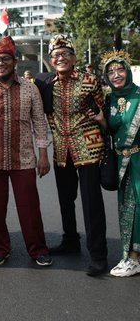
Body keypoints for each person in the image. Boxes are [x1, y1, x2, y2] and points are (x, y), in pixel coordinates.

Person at [0, 36, 52, 267]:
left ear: (14, 62)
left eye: (5, 59)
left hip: (24, 158)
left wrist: (43, 155)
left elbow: (40, 122)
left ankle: (38, 249)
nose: (0, 64)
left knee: (29, 208)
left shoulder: (30, 88)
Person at [40, 34, 108, 276]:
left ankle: (98, 255)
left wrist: (103, 124)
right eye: (55, 55)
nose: (60, 58)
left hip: (88, 148)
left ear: (73, 57)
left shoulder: (90, 81)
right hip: (62, 150)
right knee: (65, 199)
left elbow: (102, 111)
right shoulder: (49, 85)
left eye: (65, 54)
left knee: (92, 204)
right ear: (50, 60)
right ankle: (70, 240)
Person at [94, 52, 140, 277]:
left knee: (138, 207)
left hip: (139, 159)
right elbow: (111, 132)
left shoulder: (139, 96)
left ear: (128, 71)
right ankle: (131, 255)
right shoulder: (110, 99)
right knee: (126, 209)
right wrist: (102, 121)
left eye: (120, 70)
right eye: (110, 72)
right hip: (122, 161)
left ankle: (133, 258)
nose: (116, 75)